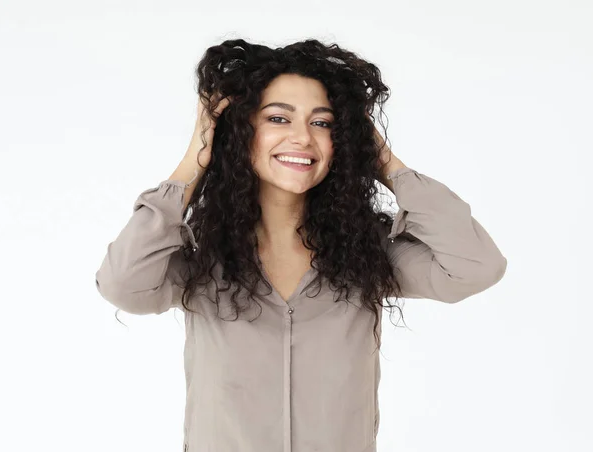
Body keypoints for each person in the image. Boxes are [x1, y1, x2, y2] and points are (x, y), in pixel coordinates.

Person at [95, 38, 507, 452]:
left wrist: (386, 163)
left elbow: (475, 266)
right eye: (278, 118)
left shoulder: (367, 254)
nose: (303, 137)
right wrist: (196, 158)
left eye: (323, 123)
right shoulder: (203, 257)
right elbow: (123, 285)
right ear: (240, 131)